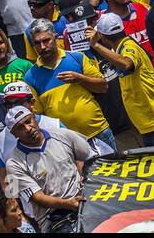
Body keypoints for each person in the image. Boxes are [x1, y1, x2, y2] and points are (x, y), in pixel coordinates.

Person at [85, 13, 154, 146]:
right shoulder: (120, 49)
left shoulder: (129, 47)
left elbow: (126, 64)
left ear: (103, 37)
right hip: (150, 125)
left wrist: (96, 45)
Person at [22, 18, 114, 147]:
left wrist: (80, 78)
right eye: (37, 43)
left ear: (55, 38)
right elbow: (38, 115)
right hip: (65, 142)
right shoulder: (30, 76)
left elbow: (103, 87)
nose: (42, 47)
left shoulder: (77, 58)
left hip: (97, 132)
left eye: (46, 40)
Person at [3, 106, 94, 231]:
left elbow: (91, 157)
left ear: (35, 118)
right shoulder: (14, 163)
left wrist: (83, 173)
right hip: (55, 220)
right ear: (14, 134)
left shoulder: (62, 135)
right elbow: (38, 197)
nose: (28, 129)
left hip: (85, 202)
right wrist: (69, 204)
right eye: (20, 128)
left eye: (28, 121)